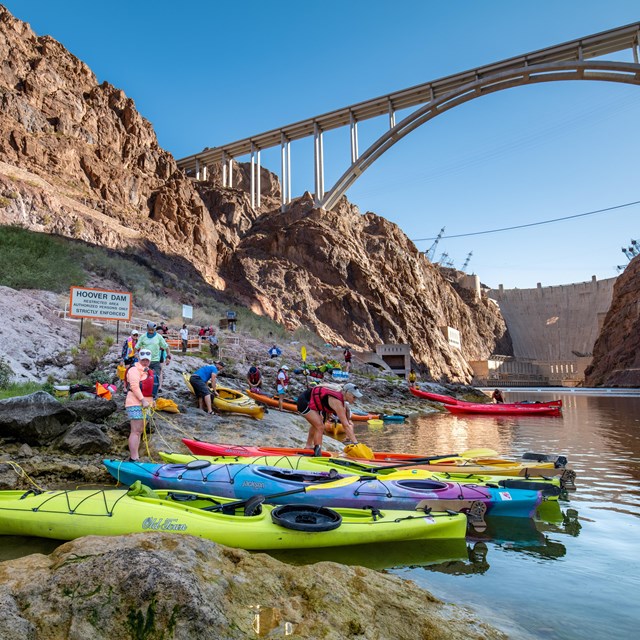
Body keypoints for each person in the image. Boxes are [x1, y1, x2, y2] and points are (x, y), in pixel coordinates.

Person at [298, 382, 362, 456]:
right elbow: (346, 425)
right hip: (304, 401)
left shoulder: (342, 401)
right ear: (347, 393)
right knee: (320, 426)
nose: (355, 400)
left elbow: (345, 416)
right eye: (354, 397)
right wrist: (356, 443)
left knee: (317, 423)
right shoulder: (336, 401)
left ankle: (308, 446)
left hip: (312, 402)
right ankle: (317, 452)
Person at [124, 349, 154, 461]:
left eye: (147, 360)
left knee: (140, 431)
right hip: (135, 403)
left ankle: (135, 456)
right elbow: (134, 387)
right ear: (139, 359)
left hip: (146, 404)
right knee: (136, 431)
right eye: (143, 360)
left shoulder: (147, 371)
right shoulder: (134, 370)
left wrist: (151, 401)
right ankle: (134, 457)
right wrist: (142, 400)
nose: (145, 362)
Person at [135, 321, 171, 399]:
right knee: (143, 378)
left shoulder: (159, 337)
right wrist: (136, 355)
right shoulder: (143, 337)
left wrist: (168, 356)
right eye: (149, 330)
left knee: (156, 378)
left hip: (155, 361)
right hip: (144, 362)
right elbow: (136, 347)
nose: (151, 331)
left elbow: (166, 347)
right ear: (147, 329)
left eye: (152, 330)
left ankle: (154, 395)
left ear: (155, 329)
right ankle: (142, 395)